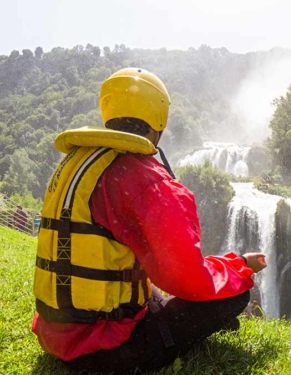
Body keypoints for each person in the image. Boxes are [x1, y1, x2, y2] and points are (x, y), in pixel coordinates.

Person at [31, 67, 267, 373]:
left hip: (55, 335)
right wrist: (239, 267)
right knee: (233, 298)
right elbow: (188, 279)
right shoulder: (144, 179)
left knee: (151, 290)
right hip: (106, 349)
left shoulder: (76, 165)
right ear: (159, 122)